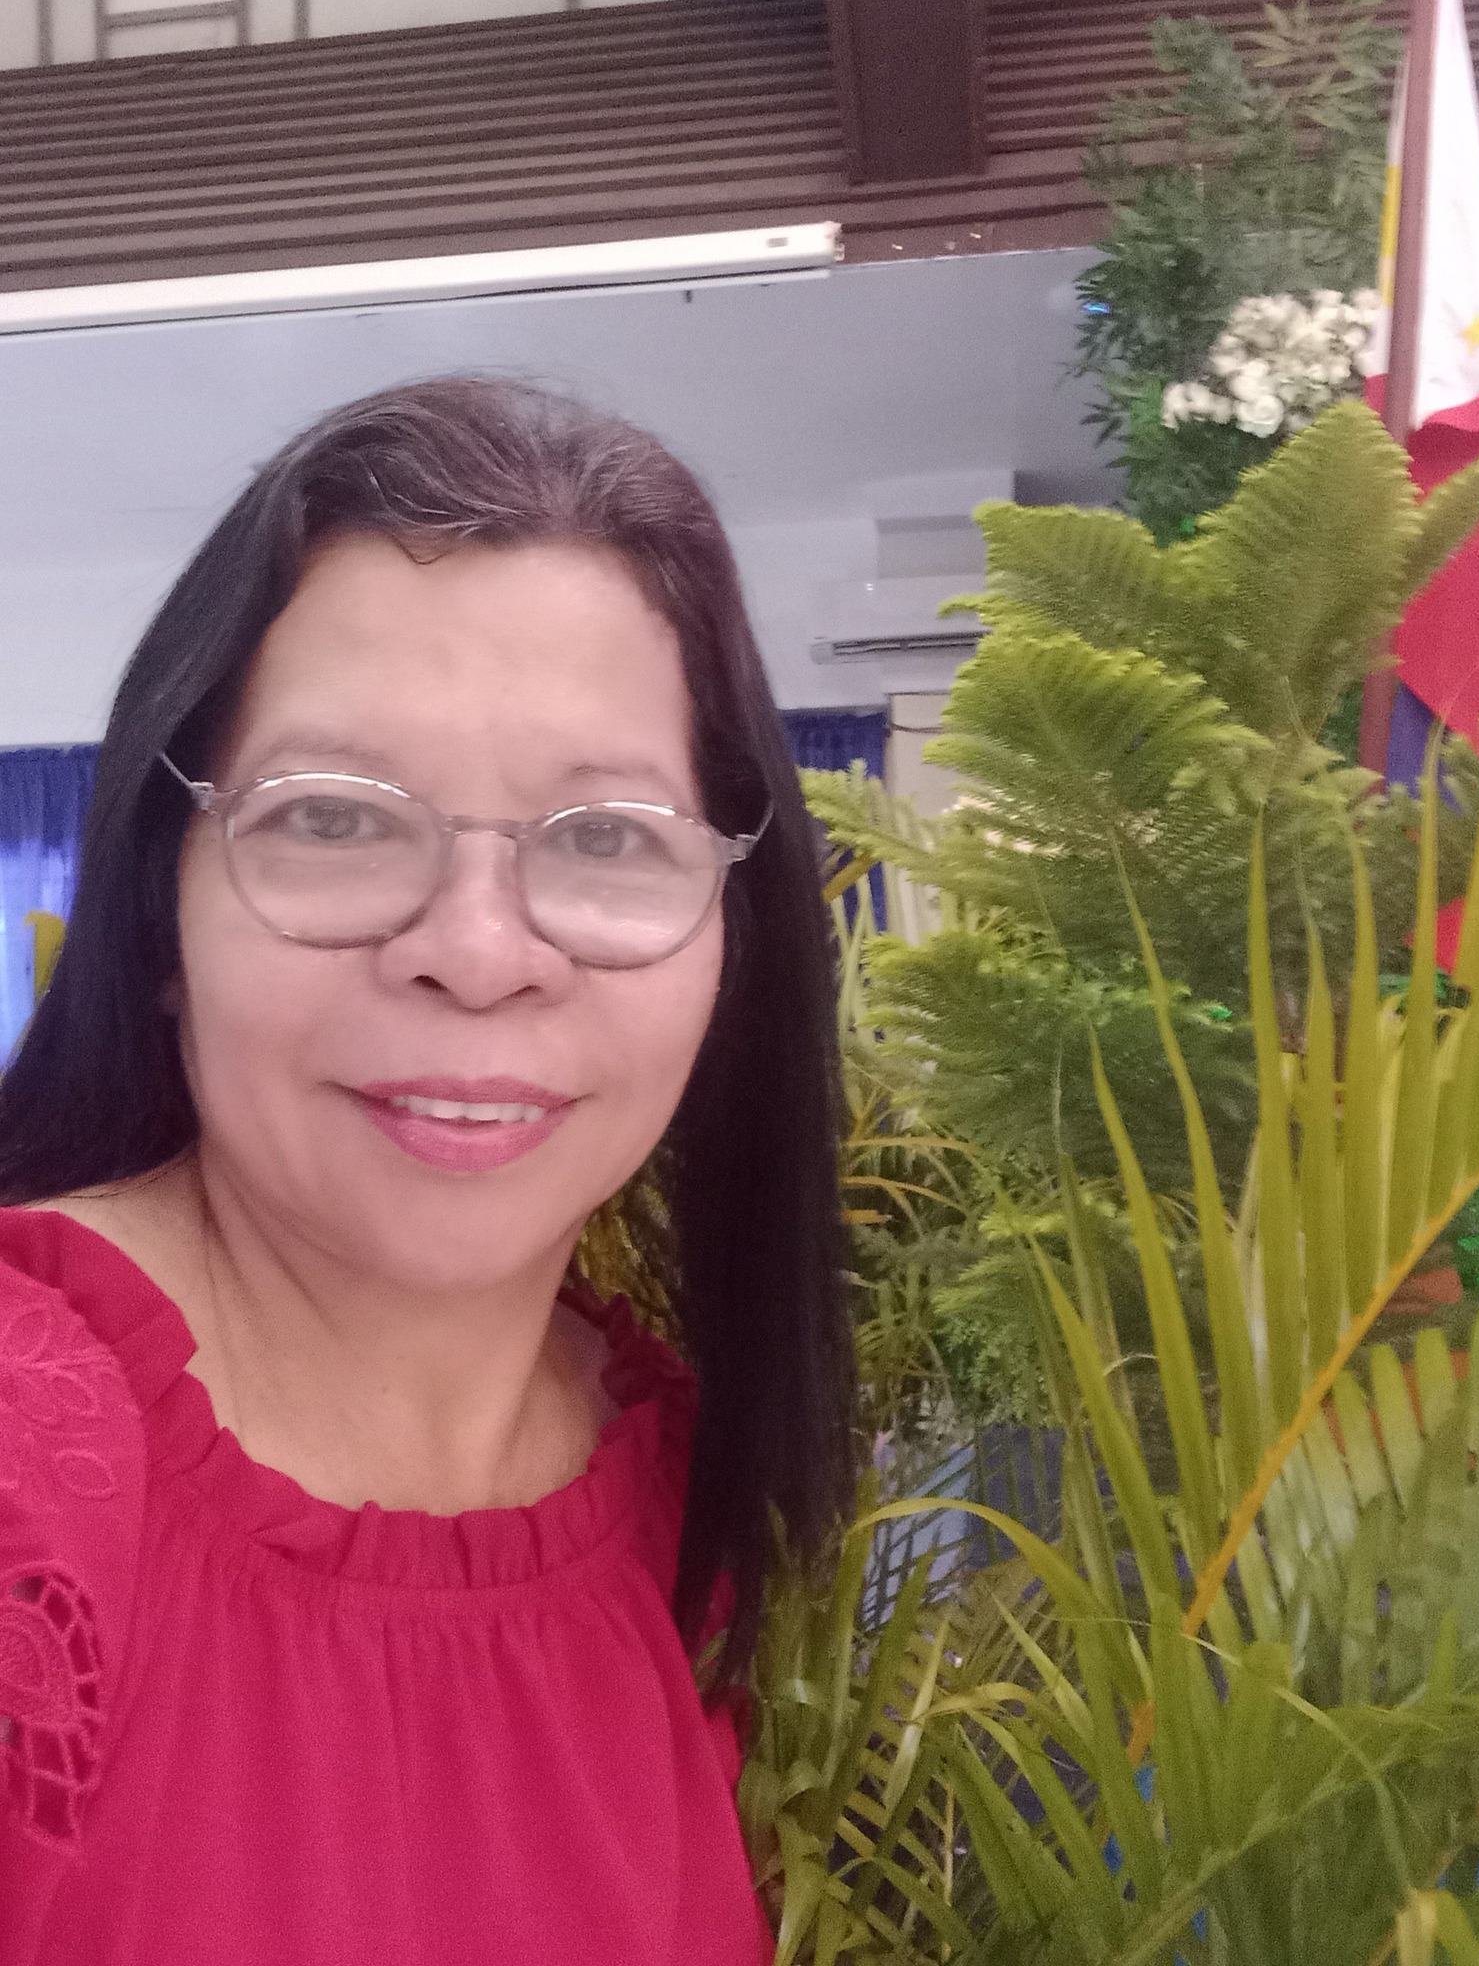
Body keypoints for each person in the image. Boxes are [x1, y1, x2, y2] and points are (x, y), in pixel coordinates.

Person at [0, 378, 854, 1963]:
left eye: (605, 836)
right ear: (161, 910)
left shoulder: (674, 1495)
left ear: (731, 940)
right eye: (333, 820)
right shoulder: (25, 1473)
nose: (475, 953)